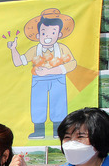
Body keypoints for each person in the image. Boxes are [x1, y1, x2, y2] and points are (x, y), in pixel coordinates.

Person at [7, 8, 77, 139]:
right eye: (44, 32)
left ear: (59, 35)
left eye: (53, 32)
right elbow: (18, 62)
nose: (48, 36)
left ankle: (59, 130)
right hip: (39, 80)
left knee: (59, 103)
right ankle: (39, 130)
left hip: (58, 78)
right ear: (38, 35)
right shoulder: (34, 50)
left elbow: (72, 63)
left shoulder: (62, 48)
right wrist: (13, 49)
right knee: (38, 104)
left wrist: (51, 71)